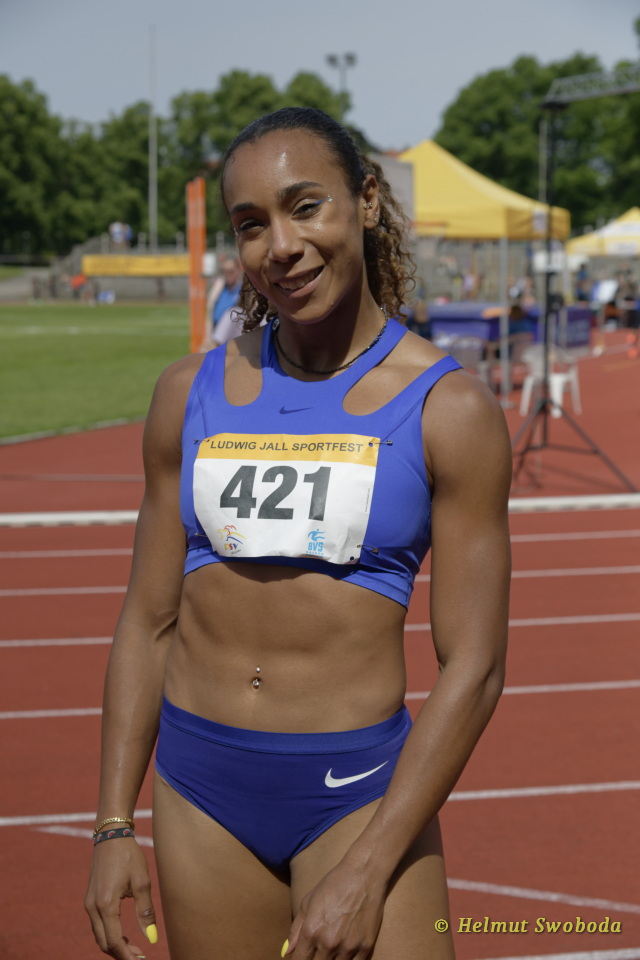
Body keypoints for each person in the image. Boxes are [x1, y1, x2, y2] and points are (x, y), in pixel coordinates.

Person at [84, 106, 512, 960]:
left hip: (357, 795)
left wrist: (370, 867)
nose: (280, 246)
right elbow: (148, 619)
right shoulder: (187, 395)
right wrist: (111, 825)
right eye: (251, 225)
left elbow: (475, 665)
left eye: (304, 206)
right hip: (199, 791)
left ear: (366, 202)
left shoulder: (449, 409)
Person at [202, 255, 243, 349]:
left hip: (233, 340)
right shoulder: (218, 289)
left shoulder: (243, 291)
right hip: (215, 335)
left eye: (231, 271)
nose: (228, 274)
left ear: (238, 270)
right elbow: (210, 313)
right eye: (225, 271)